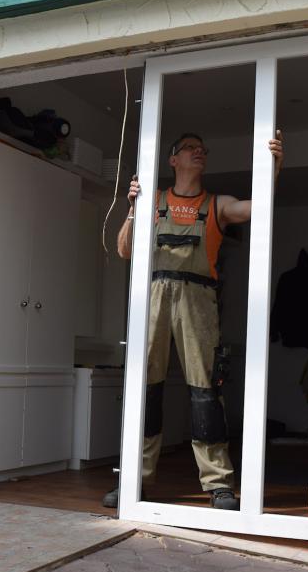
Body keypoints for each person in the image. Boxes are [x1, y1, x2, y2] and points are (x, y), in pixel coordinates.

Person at [103, 131, 284, 510]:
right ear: (173, 160)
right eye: (190, 148)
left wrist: (275, 167)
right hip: (153, 294)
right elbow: (124, 249)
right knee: (145, 391)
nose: (199, 152)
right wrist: (133, 207)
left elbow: (258, 208)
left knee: (205, 392)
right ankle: (134, 480)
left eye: (203, 149)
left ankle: (218, 483)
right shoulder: (153, 200)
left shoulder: (217, 204)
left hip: (199, 299)